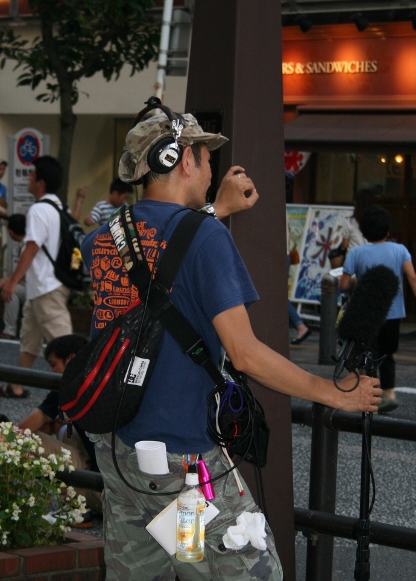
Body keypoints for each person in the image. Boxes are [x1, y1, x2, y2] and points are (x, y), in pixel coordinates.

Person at [81, 105, 381, 581]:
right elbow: (244, 353)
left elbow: (156, 253)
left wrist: (213, 211)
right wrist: (334, 392)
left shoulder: (102, 239)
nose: (211, 166)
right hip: (184, 466)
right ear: (184, 162)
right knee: (252, 573)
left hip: (121, 454)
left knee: (152, 572)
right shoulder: (207, 239)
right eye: (206, 156)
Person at [340, 204, 416, 413]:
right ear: (388, 230)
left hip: (368, 315)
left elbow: (343, 285)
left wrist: (356, 283)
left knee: (369, 354)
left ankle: (373, 396)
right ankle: (390, 393)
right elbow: (413, 278)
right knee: (388, 354)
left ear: (363, 231)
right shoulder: (400, 250)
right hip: (393, 313)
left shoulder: (356, 253)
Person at [0, 155, 73, 398]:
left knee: (64, 343)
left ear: (40, 182)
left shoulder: (39, 209)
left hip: (46, 287)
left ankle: (80, 392)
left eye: (31, 174)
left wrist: (11, 281)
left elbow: (31, 248)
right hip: (42, 287)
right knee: (29, 340)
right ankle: (17, 385)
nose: (28, 177)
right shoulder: (59, 206)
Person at [17, 333, 102, 516]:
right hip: (120, 486)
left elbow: (22, 431)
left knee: (26, 440)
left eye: (53, 364)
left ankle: (79, 505)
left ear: (71, 359)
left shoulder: (68, 383)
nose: (51, 371)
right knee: (63, 426)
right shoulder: (99, 377)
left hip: (101, 492)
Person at [0, 214, 26, 340]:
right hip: (34, 288)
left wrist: (6, 283)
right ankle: (9, 331)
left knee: (10, 289)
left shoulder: (28, 246)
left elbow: (21, 274)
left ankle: (10, 330)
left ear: (11, 232)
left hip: (38, 291)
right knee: (12, 291)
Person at [286, 211, 311, 344]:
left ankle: (300, 325)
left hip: (282, 255)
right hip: (286, 254)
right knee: (280, 296)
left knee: (279, 297)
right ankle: (300, 326)